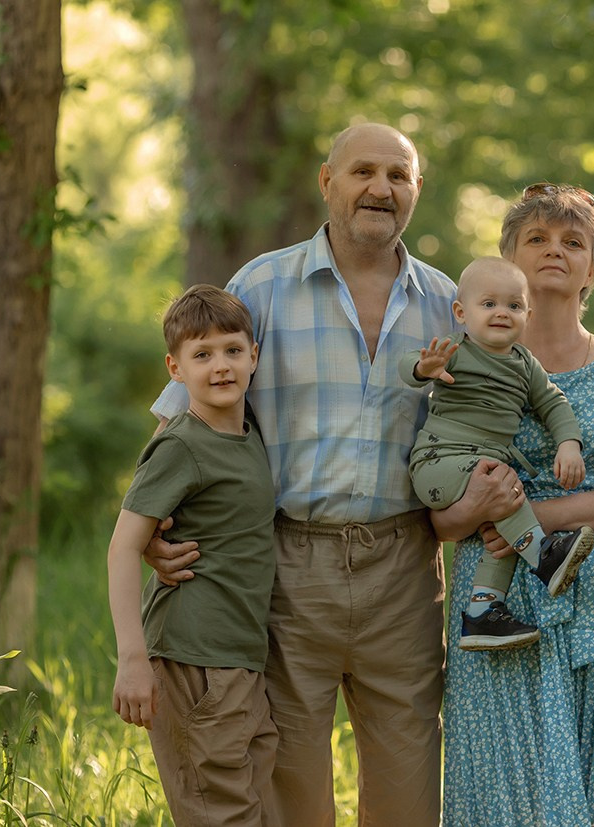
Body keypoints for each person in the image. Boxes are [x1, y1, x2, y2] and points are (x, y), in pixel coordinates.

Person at [146, 123, 457, 826]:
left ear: (415, 191)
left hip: (406, 568)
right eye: (363, 172)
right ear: (327, 181)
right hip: (285, 564)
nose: (381, 189)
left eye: (399, 176)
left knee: (410, 784)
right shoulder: (262, 285)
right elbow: (182, 415)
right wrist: (152, 526)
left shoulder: (448, 302)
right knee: (291, 779)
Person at [430, 182, 594, 826]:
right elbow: (435, 502)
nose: (555, 250)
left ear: (593, 269)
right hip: (496, 597)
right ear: (506, 261)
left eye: (573, 241)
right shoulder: (460, 369)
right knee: (503, 774)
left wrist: (544, 517)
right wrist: (480, 516)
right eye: (537, 239)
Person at [107, 284, 276, 826]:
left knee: (251, 807)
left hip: (241, 658)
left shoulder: (249, 433)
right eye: (201, 355)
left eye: (231, 350)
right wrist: (132, 658)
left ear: (255, 355)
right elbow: (122, 547)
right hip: (192, 656)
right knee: (218, 814)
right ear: (175, 369)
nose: (220, 366)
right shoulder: (183, 444)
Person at [402, 255, 594, 651]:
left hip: (486, 470)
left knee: (505, 507)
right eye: (488, 304)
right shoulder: (455, 350)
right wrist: (425, 368)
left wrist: (569, 443)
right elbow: (407, 367)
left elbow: (554, 404)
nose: (501, 313)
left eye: (513, 305)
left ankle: (483, 612)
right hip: (439, 463)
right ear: (461, 312)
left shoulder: (525, 364)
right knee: (501, 489)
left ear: (528, 313)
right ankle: (544, 557)